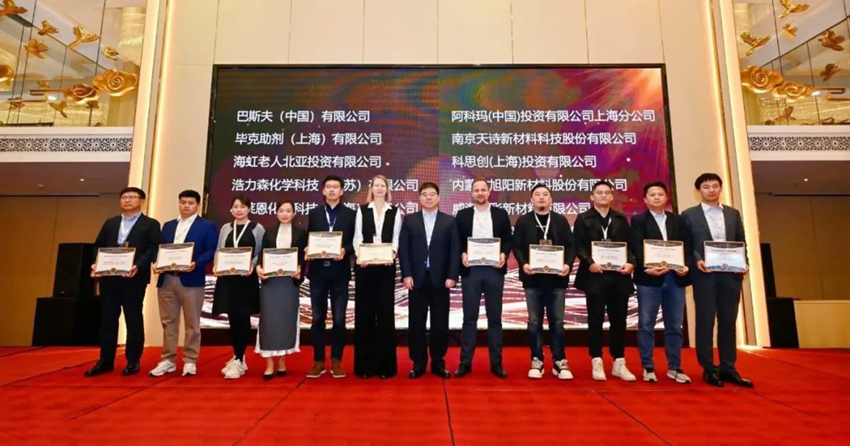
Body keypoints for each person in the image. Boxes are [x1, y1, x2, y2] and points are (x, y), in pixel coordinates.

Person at [682, 173, 753, 388]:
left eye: (715, 186)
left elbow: (741, 240)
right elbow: (687, 244)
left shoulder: (732, 213)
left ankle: (728, 367)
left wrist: (744, 262)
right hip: (704, 274)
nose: (711, 190)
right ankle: (709, 368)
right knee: (705, 320)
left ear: (720, 188)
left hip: (731, 274)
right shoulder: (689, 215)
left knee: (728, 321)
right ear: (698, 191)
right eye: (706, 186)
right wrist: (697, 260)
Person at [85, 187, 160, 377]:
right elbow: (98, 246)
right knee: (108, 319)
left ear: (141, 201)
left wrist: (138, 266)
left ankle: (133, 360)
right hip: (109, 278)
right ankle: (105, 361)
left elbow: (153, 248)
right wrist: (96, 263)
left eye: (132, 197)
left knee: (133, 318)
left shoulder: (150, 224)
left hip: (133, 278)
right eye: (124, 197)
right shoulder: (111, 223)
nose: (127, 200)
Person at [628, 182, 692, 384]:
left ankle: (675, 367)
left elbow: (687, 247)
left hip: (675, 278)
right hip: (649, 279)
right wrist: (645, 267)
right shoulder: (638, 220)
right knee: (646, 324)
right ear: (645, 199)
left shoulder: (678, 220)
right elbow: (637, 247)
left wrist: (686, 265)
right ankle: (648, 367)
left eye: (660, 194)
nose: (656, 197)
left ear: (666, 198)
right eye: (652, 195)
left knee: (675, 325)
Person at [149, 190, 217, 378]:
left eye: (190, 203)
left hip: (192, 279)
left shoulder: (206, 226)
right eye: (183, 202)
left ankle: (190, 360)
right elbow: (159, 248)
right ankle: (168, 360)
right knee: (168, 321)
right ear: (179, 203)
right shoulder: (168, 226)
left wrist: (197, 263)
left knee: (192, 323)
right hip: (167, 279)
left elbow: (211, 249)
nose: (186, 206)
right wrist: (155, 261)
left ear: (198, 205)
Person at [574, 180, 637, 382]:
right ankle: (597, 359)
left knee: (619, 320)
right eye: (599, 192)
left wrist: (631, 263)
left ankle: (619, 361)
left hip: (619, 277)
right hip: (595, 276)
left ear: (611, 196)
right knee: (595, 320)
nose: (603, 195)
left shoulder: (620, 218)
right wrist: (589, 262)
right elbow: (578, 245)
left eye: (606, 192)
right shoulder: (584, 218)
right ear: (592, 197)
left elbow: (630, 245)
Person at [512, 184, 575, 380]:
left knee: (558, 322)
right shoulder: (524, 221)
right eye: (537, 195)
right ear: (531, 200)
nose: (541, 197)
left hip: (557, 280)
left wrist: (567, 264)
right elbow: (517, 246)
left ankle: (559, 360)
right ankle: (537, 359)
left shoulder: (560, 220)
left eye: (545, 194)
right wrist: (523, 264)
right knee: (534, 322)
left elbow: (571, 246)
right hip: (533, 280)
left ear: (551, 199)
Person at [399, 182, 460, 379]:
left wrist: (452, 275)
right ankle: (418, 363)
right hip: (416, 279)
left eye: (432, 194)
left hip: (441, 280)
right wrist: (406, 274)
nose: (428, 197)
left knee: (440, 323)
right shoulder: (410, 220)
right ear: (419, 198)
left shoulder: (449, 221)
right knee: (416, 323)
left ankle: (438, 362)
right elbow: (404, 250)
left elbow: (455, 250)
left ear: (439, 197)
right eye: (424, 194)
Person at [455, 178, 513, 379]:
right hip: (471, 271)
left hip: (494, 271)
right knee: (469, 319)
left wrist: (504, 253)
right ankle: (465, 363)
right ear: (471, 193)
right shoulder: (462, 215)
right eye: (476, 190)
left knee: (494, 319)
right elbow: (457, 241)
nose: (480, 193)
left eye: (483, 190)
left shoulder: (500, 214)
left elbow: (508, 240)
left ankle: (496, 363)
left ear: (489, 192)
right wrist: (462, 253)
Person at [306, 175, 356, 379]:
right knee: (317, 319)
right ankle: (318, 361)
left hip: (339, 273)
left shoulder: (351, 214)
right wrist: (309, 248)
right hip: (318, 272)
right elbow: (310, 237)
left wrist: (345, 249)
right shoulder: (315, 213)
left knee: (339, 319)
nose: (332, 190)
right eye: (328, 187)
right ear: (323, 191)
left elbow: (355, 241)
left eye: (336, 187)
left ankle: (336, 359)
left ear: (342, 191)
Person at [353, 175, 402, 379]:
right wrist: (360, 256)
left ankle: (385, 367)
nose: (380, 188)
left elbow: (396, 238)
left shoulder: (395, 211)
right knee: (365, 315)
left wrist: (392, 254)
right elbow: (357, 237)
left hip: (386, 268)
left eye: (383, 185)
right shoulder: (362, 210)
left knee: (384, 315)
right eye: (376, 185)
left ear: (387, 189)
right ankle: (365, 366)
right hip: (365, 267)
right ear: (371, 188)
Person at [212, 195, 265, 380]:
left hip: (246, 279)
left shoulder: (257, 228)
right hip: (228, 279)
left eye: (242, 206)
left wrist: (252, 265)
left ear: (249, 209)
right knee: (233, 318)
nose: (239, 210)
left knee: (243, 318)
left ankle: (240, 358)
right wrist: (217, 265)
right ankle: (237, 356)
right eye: (235, 206)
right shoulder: (226, 228)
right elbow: (219, 249)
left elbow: (261, 252)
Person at [256, 201, 307, 380]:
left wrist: (300, 268)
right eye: (281, 210)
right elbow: (262, 254)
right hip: (271, 283)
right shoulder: (269, 232)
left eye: (288, 211)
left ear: (294, 214)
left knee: (286, 321)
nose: (285, 214)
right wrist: (259, 268)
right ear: (276, 213)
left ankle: (282, 360)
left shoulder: (301, 233)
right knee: (269, 322)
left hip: (289, 283)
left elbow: (303, 257)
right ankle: (269, 363)